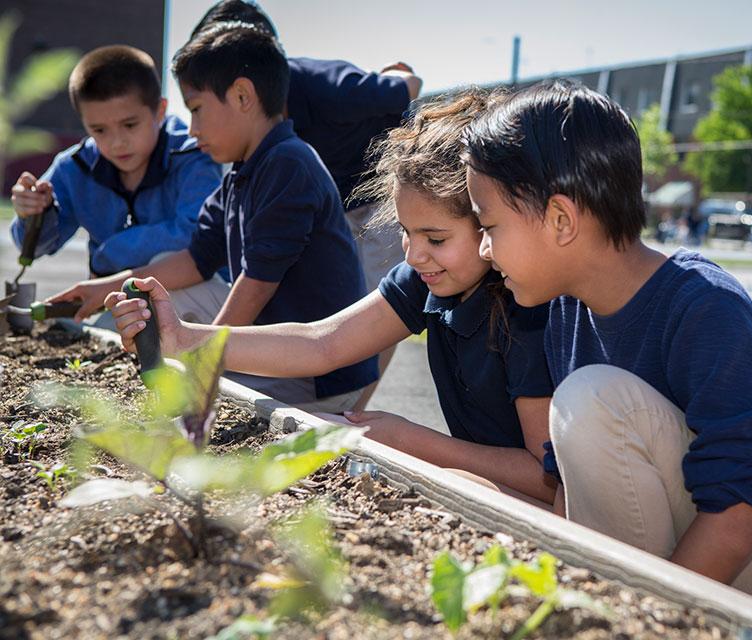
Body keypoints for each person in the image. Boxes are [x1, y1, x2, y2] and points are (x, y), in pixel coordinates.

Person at [461, 80, 752, 615]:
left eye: (489, 226)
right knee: (554, 433)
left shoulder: (706, 308)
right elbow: (573, 484)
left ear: (561, 219)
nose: (484, 248)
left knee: (590, 399)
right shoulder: (565, 310)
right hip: (696, 533)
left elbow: (737, 515)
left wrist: (648, 623)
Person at [106, 88, 558, 506]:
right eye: (405, 232)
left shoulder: (527, 311)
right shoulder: (426, 278)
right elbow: (323, 343)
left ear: (490, 219)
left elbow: (544, 477)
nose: (414, 254)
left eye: (436, 238)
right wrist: (182, 337)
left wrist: (409, 440)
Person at [60, 24, 377, 413]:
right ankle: (125, 348)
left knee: (195, 396)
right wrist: (105, 287)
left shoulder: (288, 163)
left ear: (243, 96)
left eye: (196, 110)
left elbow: (256, 285)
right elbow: (195, 260)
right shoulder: (240, 174)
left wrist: (205, 365)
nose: (192, 131)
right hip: (276, 341)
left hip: (317, 374)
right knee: (160, 276)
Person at [191, 0, 423, 408]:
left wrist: (398, 74)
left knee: (373, 314)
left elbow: (408, 85)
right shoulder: (256, 151)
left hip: (376, 198)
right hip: (324, 199)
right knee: (325, 305)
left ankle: (347, 411)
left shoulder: (323, 85)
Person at [9, 45, 224, 324]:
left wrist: (109, 255)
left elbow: (196, 238)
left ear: (159, 111)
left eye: (130, 125)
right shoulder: (74, 167)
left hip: (205, 302)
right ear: (84, 124)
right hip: (120, 301)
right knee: (105, 332)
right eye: (99, 130)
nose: (116, 142)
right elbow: (33, 249)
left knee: (162, 268)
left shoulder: (194, 155)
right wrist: (32, 212)